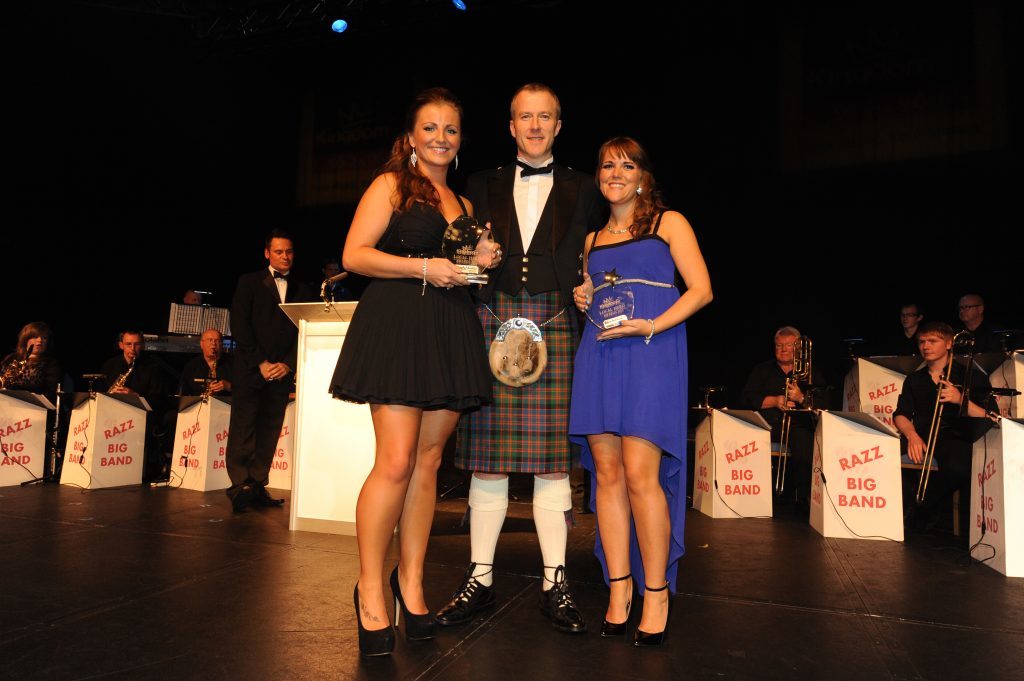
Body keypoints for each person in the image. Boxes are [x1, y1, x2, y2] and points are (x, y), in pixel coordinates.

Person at [328, 87, 497, 656]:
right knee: (396, 461)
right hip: (399, 325)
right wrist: (425, 265)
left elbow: (463, 275)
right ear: (411, 136)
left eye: (451, 129)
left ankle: (413, 583)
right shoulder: (391, 185)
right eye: (430, 128)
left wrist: (479, 265)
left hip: (449, 330)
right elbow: (355, 255)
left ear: (460, 139)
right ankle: (371, 589)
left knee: (428, 465)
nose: (441, 138)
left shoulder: (464, 205)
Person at [436, 83, 604, 635]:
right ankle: (479, 578)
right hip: (493, 322)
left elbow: (597, 250)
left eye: (545, 117)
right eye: (524, 117)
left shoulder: (584, 186)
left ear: (559, 125)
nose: (534, 126)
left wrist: (590, 287)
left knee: (554, 461)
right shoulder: (478, 183)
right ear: (511, 126)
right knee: (486, 460)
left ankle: (555, 581)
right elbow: (456, 249)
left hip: (556, 323)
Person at [569, 137, 712, 646]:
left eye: (626, 165)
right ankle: (618, 588)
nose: (615, 172)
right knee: (606, 474)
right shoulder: (590, 240)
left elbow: (701, 289)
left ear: (643, 177)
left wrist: (651, 325)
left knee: (639, 474)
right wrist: (585, 294)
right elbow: (597, 297)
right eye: (606, 164)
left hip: (652, 351)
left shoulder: (668, 223)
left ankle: (656, 592)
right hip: (600, 353)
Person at [225, 229, 313, 512]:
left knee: (269, 430)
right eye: (279, 252)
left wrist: (287, 363)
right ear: (267, 254)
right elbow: (240, 325)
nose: (285, 256)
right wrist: (261, 363)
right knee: (243, 428)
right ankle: (240, 486)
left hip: (281, 372)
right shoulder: (249, 282)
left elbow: (303, 328)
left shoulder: (303, 287)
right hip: (252, 370)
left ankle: (258, 484)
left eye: (289, 251)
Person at [894, 321, 994, 535]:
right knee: (882, 458)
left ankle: (922, 507)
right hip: (920, 436)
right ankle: (905, 512)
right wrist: (911, 435)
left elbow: (991, 417)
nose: (925, 346)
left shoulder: (971, 375)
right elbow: (901, 414)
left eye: (932, 341)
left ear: (949, 344)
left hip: (952, 435)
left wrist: (961, 400)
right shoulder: (914, 379)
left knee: (959, 466)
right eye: (922, 342)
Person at [740, 326, 826, 503]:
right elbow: (746, 399)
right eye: (779, 346)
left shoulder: (812, 373)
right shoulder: (762, 370)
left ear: (799, 348)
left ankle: (802, 496)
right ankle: (747, 492)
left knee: (804, 438)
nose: (783, 349)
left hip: (798, 427)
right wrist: (774, 401)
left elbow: (823, 406)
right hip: (767, 425)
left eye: (788, 345)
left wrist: (801, 398)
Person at [99, 330, 168, 482]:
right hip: (112, 413)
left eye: (136, 344)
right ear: (121, 345)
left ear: (142, 346)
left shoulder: (153, 367)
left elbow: (158, 399)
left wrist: (135, 396)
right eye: (128, 344)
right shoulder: (110, 365)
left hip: (141, 414)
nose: (132, 349)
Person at [0, 322, 62, 399]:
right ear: (26, 339)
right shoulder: (11, 358)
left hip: (35, 407)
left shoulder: (51, 364)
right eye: (35, 337)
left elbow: (50, 393)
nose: (40, 340)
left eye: (44, 338)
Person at [179, 328, 233, 396]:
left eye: (217, 340)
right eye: (210, 340)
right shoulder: (192, 365)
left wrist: (229, 386)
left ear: (222, 344)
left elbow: (247, 391)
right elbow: (182, 393)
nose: (213, 344)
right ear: (201, 344)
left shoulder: (234, 364)